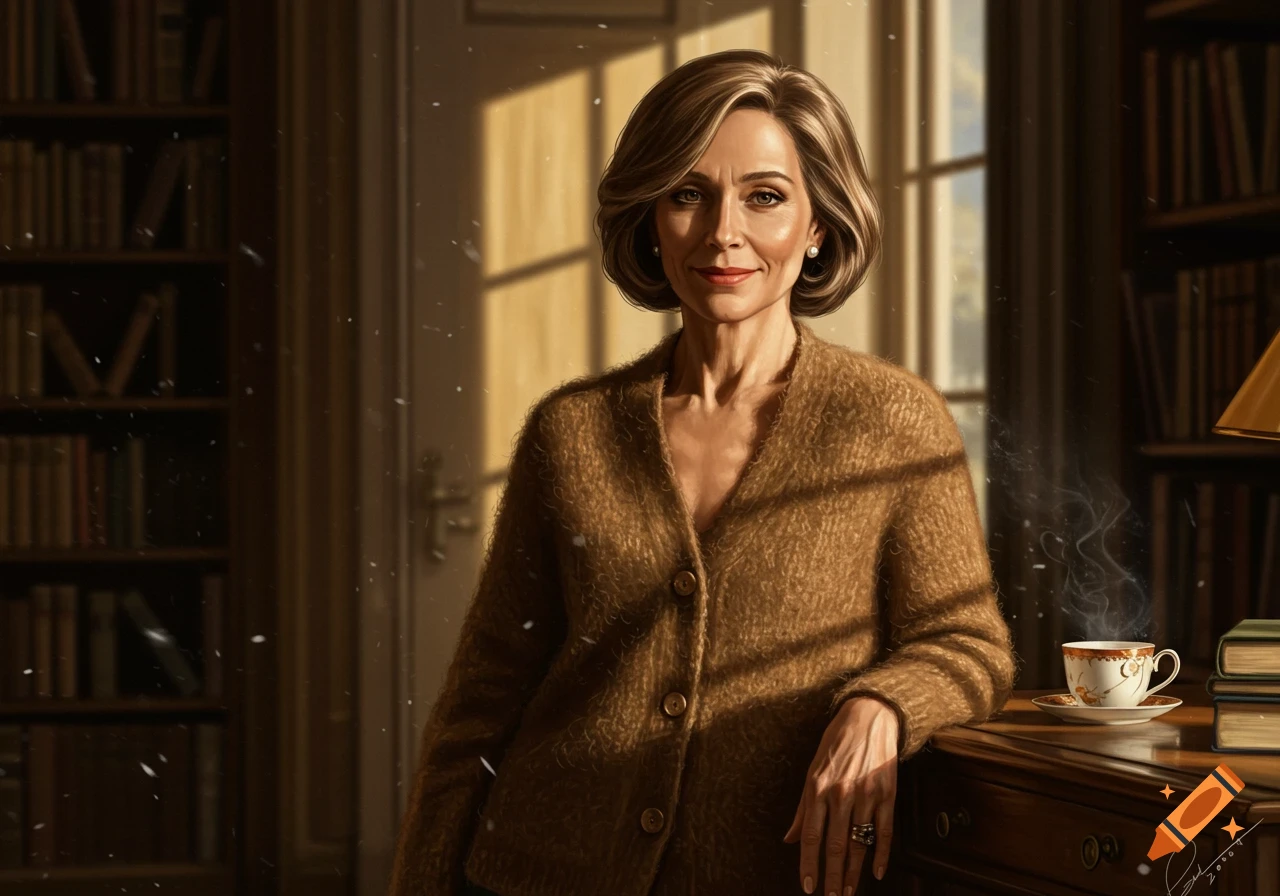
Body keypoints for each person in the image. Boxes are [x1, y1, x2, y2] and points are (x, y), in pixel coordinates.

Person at [387, 48, 1017, 896]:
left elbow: (967, 642)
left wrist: (884, 704)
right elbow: (483, 700)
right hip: (538, 869)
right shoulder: (570, 432)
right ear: (652, 217)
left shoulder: (891, 423)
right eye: (689, 193)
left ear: (819, 224)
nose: (724, 232)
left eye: (765, 196)